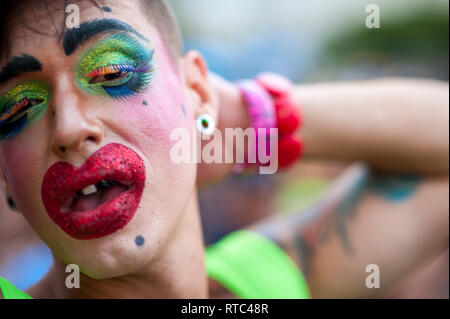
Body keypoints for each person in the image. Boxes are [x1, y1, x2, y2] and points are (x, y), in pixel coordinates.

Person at [0, 0, 448, 299]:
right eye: (18, 107)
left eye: (112, 72)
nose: (70, 128)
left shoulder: (254, 289)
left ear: (195, 89)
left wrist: (252, 119)